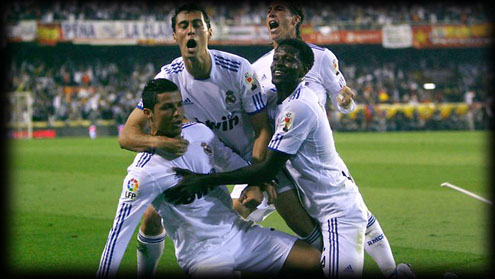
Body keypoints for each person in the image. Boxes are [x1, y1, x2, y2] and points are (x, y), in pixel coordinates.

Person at [117, 3, 319, 277]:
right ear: (175, 36)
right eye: (184, 26)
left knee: (299, 224)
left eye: (197, 25)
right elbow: (127, 135)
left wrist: (257, 178)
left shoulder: (238, 69)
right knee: (154, 218)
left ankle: (329, 255)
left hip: (253, 159)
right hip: (210, 155)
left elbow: (261, 130)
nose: (191, 31)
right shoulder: (169, 78)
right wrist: (161, 144)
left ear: (209, 32)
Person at [229, 1, 414, 278]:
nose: (271, 14)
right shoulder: (258, 68)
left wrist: (346, 103)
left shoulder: (321, 59)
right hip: (276, 157)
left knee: (356, 212)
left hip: (313, 159)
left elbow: (343, 98)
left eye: (279, 9)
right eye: (268, 10)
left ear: (296, 19)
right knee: (235, 212)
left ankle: (390, 271)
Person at [97, 78, 322, 278]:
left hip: (239, 233)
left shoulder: (200, 133)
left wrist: (260, 181)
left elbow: (234, 163)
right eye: (167, 108)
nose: (176, 113)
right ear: (148, 114)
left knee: (313, 259)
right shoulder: (144, 172)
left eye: (178, 105)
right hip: (203, 253)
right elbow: (118, 234)